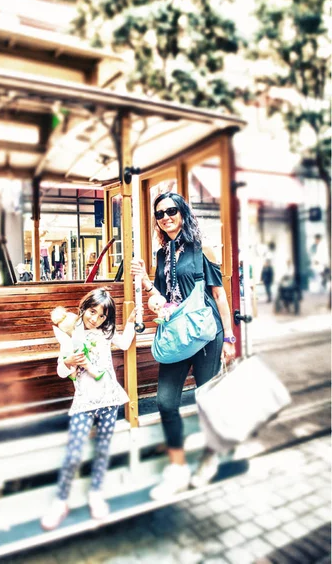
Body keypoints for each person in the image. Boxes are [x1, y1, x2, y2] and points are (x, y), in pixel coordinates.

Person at [131, 192, 236, 500]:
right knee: (165, 401)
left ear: (183, 212)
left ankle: (209, 457)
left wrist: (229, 337)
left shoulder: (202, 248)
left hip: (206, 334)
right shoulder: (162, 255)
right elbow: (163, 303)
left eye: (171, 210)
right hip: (177, 334)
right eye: (160, 214)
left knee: (207, 401)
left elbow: (220, 295)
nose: (165, 217)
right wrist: (149, 291)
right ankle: (177, 469)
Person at [41, 288, 138, 531]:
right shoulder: (72, 332)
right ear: (84, 308)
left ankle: (96, 494)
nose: (95, 319)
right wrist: (68, 362)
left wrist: (130, 323)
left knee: (102, 450)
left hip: (109, 399)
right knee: (74, 453)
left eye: (101, 316)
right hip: (84, 402)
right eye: (92, 312)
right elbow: (62, 371)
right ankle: (61, 501)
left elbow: (125, 343)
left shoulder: (106, 332)